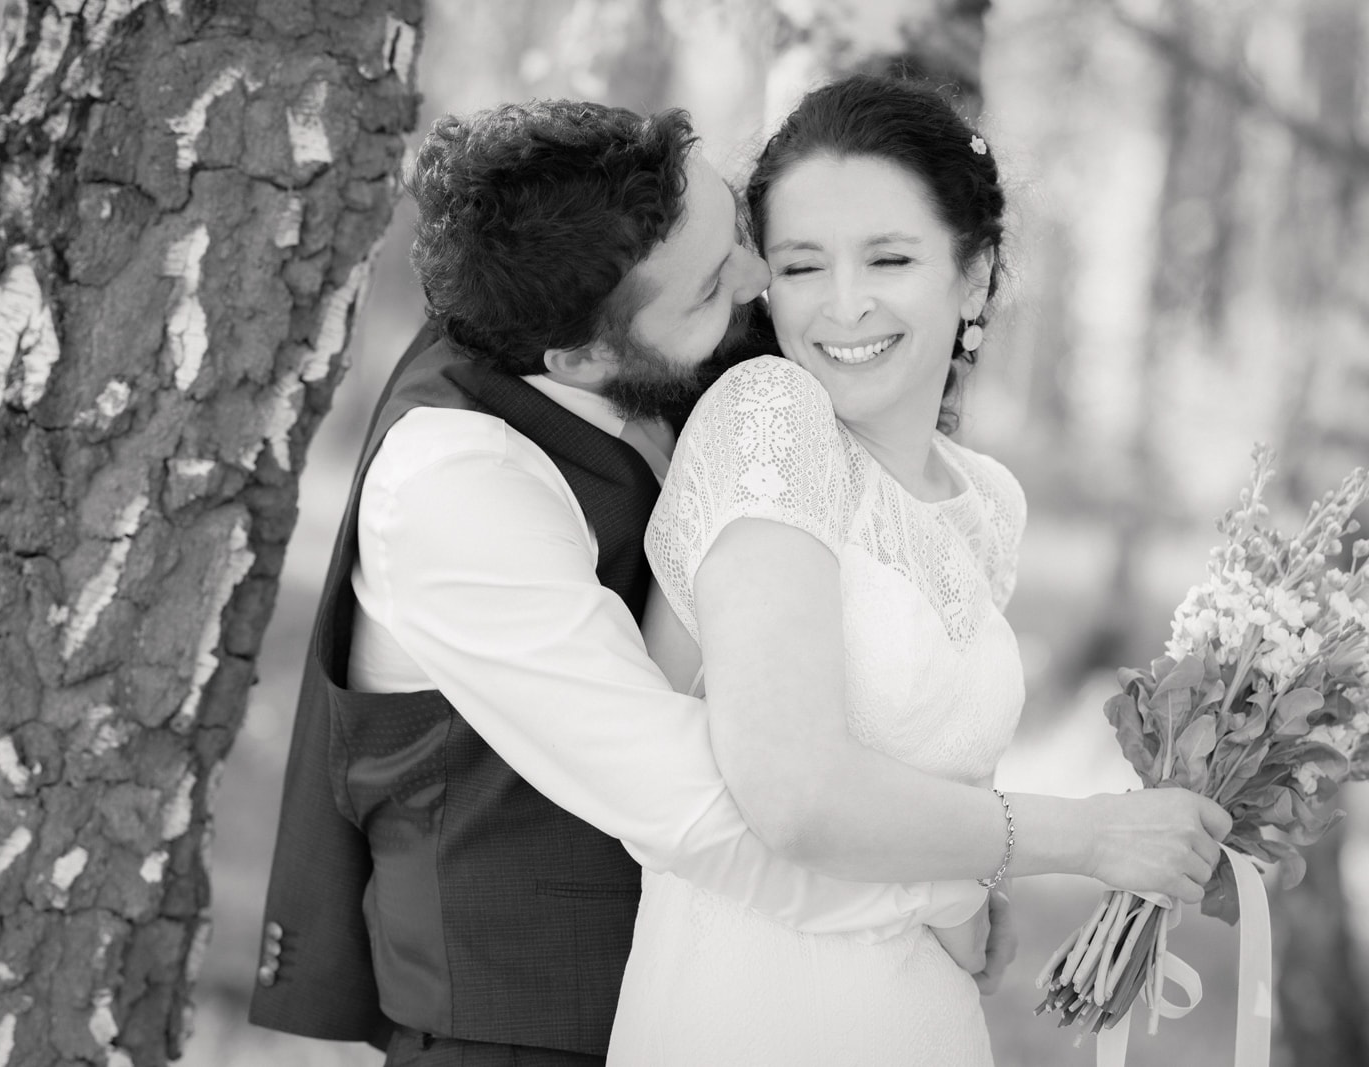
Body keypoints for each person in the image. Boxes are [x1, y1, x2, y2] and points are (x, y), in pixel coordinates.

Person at [249, 99, 1010, 1067]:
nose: (755, 276)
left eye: (734, 223)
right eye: (705, 290)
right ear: (579, 356)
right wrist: (944, 881)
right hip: (523, 1032)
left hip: (733, 995)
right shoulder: (454, 484)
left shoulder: (641, 313)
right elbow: (698, 797)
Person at [606, 75, 1234, 1065]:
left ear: (973, 274)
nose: (843, 303)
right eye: (804, 265)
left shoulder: (986, 502)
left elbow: (941, 787)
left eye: (889, 258)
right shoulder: (766, 417)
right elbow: (792, 791)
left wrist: (969, 887)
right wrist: (1092, 836)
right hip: (753, 1011)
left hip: (920, 1018)